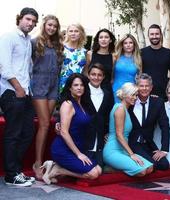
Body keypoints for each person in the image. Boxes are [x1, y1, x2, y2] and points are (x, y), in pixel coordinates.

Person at [0, 7, 38, 187]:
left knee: (28, 132)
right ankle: (11, 175)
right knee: (13, 134)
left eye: (33, 21)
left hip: (25, 93)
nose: (30, 24)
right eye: (28, 19)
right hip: (11, 91)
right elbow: (4, 66)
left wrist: (26, 90)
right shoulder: (8, 37)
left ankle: (15, 170)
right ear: (20, 19)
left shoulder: (28, 40)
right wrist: (18, 88)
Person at [41, 73, 101, 184]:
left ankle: (56, 167)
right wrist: (79, 154)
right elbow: (64, 132)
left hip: (77, 147)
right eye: (75, 85)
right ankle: (58, 170)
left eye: (81, 85)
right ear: (70, 88)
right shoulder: (68, 104)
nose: (79, 88)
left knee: (99, 170)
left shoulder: (84, 103)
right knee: (93, 174)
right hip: (64, 149)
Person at [31, 14, 64, 180]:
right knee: (44, 124)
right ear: (44, 25)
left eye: (55, 26)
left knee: (46, 124)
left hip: (53, 86)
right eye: (49, 25)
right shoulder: (35, 42)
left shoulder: (58, 45)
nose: (52, 28)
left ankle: (43, 162)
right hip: (38, 84)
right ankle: (37, 163)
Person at [103, 83, 153, 176]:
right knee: (142, 171)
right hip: (113, 151)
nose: (135, 97)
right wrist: (132, 154)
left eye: (136, 95)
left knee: (150, 168)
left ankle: (116, 168)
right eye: (132, 95)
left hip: (123, 150)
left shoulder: (126, 109)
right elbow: (119, 135)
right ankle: (111, 167)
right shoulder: (120, 109)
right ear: (125, 95)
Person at [128, 73, 170, 170]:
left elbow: (165, 126)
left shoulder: (158, 102)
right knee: (152, 165)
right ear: (137, 87)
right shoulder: (130, 101)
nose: (144, 88)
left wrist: (164, 150)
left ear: (151, 87)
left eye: (147, 86)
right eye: (141, 86)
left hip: (148, 143)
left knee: (164, 165)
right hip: (133, 143)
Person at [83, 63, 114, 168]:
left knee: (99, 166)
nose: (96, 77)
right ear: (88, 75)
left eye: (99, 75)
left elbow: (109, 115)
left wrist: (108, 132)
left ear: (103, 77)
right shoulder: (82, 91)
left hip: (100, 139)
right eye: (93, 74)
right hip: (83, 139)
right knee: (89, 167)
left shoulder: (107, 94)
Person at [141, 24, 170, 100]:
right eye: (152, 34)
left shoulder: (169, 53)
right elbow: (138, 72)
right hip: (145, 93)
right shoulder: (141, 52)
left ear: (161, 35)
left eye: (157, 34)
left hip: (163, 94)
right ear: (148, 36)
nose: (154, 36)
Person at [84, 28, 116, 94]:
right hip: (91, 90)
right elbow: (86, 72)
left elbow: (112, 77)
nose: (103, 39)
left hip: (106, 90)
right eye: (101, 37)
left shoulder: (113, 57)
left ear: (110, 40)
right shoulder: (90, 54)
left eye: (106, 37)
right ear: (98, 40)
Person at [112, 34, 142, 103]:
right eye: (125, 43)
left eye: (130, 43)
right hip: (116, 90)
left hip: (131, 93)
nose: (128, 45)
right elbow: (111, 76)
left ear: (134, 44)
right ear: (122, 45)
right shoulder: (115, 57)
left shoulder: (138, 59)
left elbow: (139, 78)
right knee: (117, 112)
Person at [59, 23, 87, 93]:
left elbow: (85, 72)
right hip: (62, 84)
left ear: (81, 33)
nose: (73, 33)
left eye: (76, 31)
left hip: (78, 87)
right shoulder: (60, 48)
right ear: (67, 33)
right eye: (71, 31)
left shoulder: (85, 52)